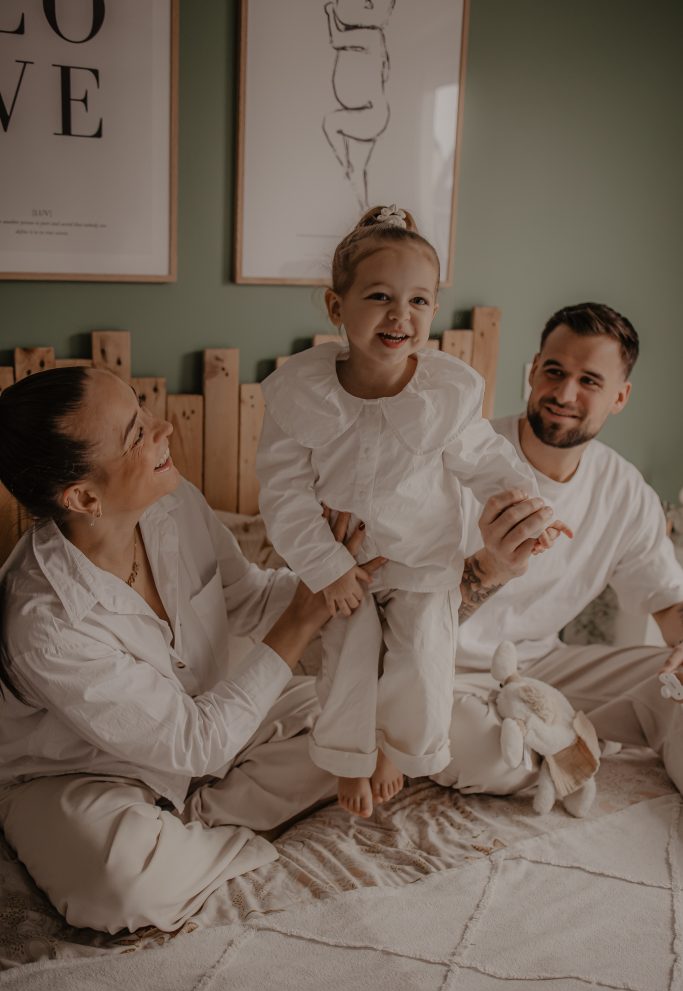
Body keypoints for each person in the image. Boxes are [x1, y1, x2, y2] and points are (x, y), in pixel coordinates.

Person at [0, 365, 385, 935]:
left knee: (363, 724)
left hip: (205, 723)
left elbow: (250, 599)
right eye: (137, 433)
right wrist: (303, 618)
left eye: (143, 408)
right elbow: (196, 740)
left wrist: (333, 575)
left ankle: (195, 817)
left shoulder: (175, 503)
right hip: (78, 778)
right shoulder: (45, 622)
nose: (165, 429)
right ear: (83, 495)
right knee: (119, 886)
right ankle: (183, 825)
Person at [256, 204, 570, 818]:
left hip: (426, 558)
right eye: (379, 296)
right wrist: (324, 566)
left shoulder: (443, 394)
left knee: (425, 654)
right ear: (335, 307)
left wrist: (529, 508)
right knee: (348, 652)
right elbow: (282, 492)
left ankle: (397, 749)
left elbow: (487, 460)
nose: (402, 315)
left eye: (421, 300)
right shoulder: (301, 392)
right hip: (347, 564)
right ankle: (348, 756)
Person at [432, 301, 683, 796]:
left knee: (675, 686)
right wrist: (495, 565)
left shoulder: (625, 490)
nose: (564, 393)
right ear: (532, 372)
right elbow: (405, 612)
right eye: (554, 371)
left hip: (545, 667)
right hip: (444, 665)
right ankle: (565, 742)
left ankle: (556, 735)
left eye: (590, 381)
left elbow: (668, 601)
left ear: (620, 396)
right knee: (489, 756)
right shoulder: (462, 459)